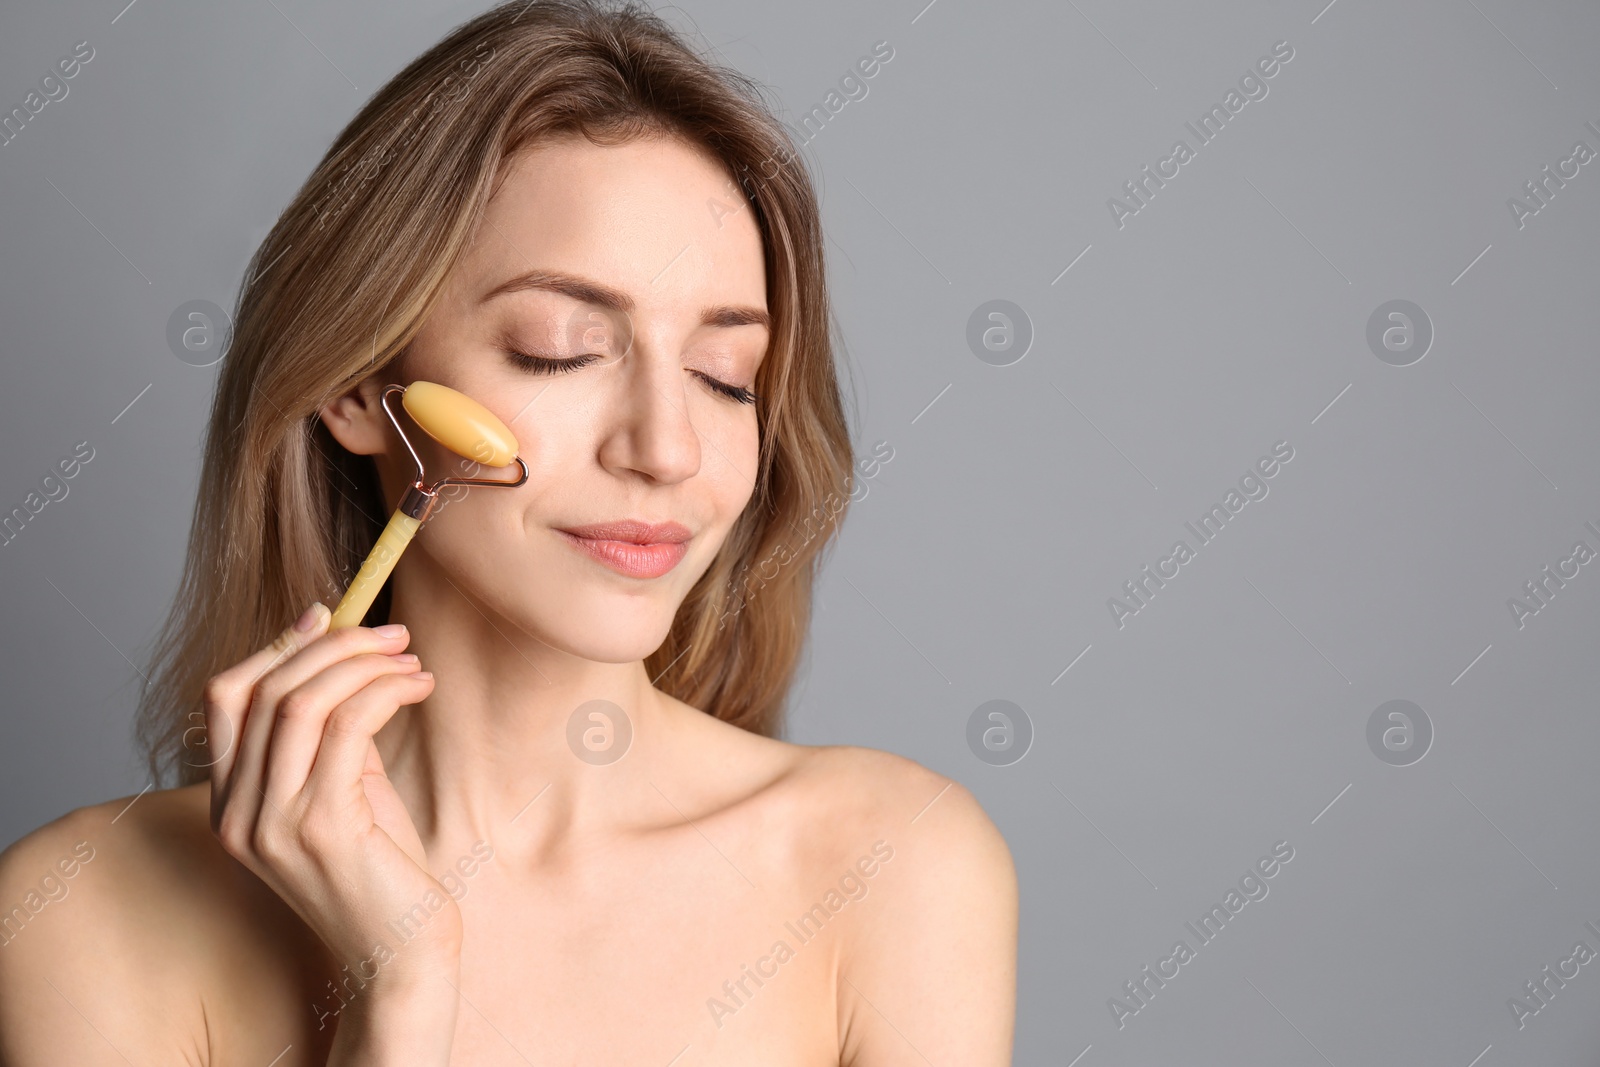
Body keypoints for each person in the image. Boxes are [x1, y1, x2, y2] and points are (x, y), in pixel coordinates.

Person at [0, 1, 1016, 1062]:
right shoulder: (83, 913)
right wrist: (399, 982)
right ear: (357, 383)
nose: (664, 448)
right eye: (560, 349)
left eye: (727, 376)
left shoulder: (894, 865)